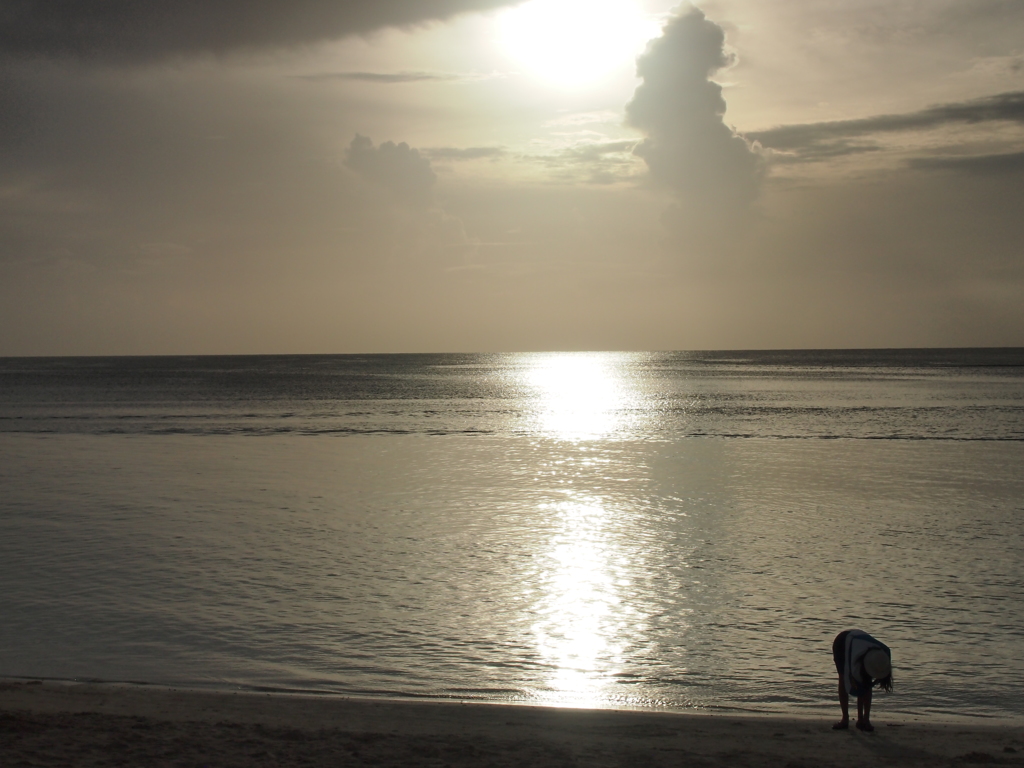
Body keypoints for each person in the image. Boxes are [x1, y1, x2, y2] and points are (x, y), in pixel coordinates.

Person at [832, 629, 892, 731]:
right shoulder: (856, 661)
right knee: (843, 678)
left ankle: (864, 719)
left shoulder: (883, 654)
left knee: (866, 682)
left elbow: (866, 685)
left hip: (859, 641)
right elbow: (855, 684)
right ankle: (845, 719)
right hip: (842, 642)